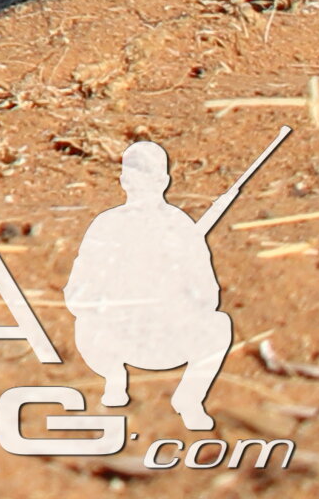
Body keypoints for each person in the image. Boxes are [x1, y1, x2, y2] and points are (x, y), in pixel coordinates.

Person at [65, 138, 239, 431]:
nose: (141, 183)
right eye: (134, 175)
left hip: (169, 337)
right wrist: (113, 297)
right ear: (123, 180)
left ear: (164, 180)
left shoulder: (181, 228)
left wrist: (174, 283)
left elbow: (208, 296)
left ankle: (190, 398)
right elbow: (77, 292)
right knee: (85, 325)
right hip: (118, 338)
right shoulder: (106, 225)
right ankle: (114, 380)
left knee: (218, 325)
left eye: (149, 176)